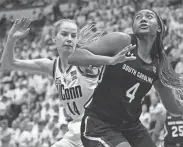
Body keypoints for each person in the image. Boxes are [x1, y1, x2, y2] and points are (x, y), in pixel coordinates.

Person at [68, 9, 183, 147]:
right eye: (138, 17)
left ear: (159, 27)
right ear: (133, 27)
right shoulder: (121, 41)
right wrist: (109, 60)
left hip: (131, 127)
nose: (143, 19)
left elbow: (173, 106)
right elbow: (74, 56)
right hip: (99, 124)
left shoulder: (160, 62)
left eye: (149, 16)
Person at [1, 18, 135, 147]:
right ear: (54, 38)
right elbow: (8, 64)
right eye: (64, 34)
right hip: (74, 131)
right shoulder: (52, 66)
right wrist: (11, 38)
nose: (69, 39)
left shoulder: (85, 62)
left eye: (73, 35)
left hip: (97, 128)